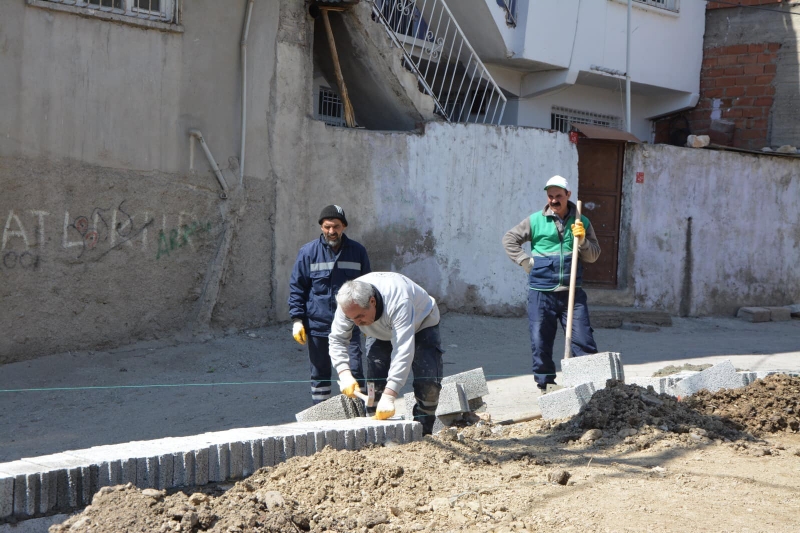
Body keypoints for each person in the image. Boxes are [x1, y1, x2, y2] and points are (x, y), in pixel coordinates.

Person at [502, 175, 600, 392]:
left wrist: (582, 240)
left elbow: (593, 256)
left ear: (568, 195)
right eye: (550, 196)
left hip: (572, 292)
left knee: (583, 340)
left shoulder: (581, 221)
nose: (554, 200)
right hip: (541, 293)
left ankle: (588, 386)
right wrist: (524, 261)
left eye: (558, 196)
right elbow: (510, 238)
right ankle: (546, 386)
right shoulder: (535, 220)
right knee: (540, 342)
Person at [329, 272, 443, 435]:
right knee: (374, 386)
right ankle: (375, 436)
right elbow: (337, 339)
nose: (356, 323)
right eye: (351, 318)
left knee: (428, 384)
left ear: (372, 301)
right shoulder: (348, 304)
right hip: (379, 331)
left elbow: (403, 349)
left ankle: (422, 435)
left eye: (360, 316)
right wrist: (344, 373)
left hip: (422, 323)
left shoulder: (398, 299)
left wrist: (390, 395)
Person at [288, 205, 371, 404]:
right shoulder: (308, 252)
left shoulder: (357, 252)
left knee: (354, 372)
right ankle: (322, 420)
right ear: (321, 227)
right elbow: (297, 286)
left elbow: (368, 286)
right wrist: (297, 320)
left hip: (350, 326)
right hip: (318, 325)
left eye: (336, 226)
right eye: (327, 227)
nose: (331, 231)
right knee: (320, 375)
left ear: (344, 226)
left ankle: (358, 419)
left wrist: (369, 321)